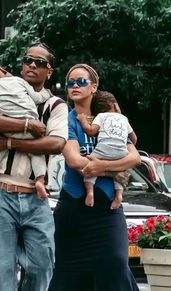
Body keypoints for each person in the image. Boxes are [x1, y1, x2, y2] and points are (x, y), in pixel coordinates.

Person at [0, 43, 68, 291]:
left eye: (40, 63)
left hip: (35, 197)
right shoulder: (4, 89)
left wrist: (9, 141)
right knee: (1, 271)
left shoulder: (55, 105)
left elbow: (56, 143)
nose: (32, 65)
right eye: (28, 60)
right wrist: (28, 125)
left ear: (49, 71)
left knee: (42, 267)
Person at [48, 64, 141, 291]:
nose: (74, 86)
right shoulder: (67, 119)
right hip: (74, 211)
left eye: (81, 81)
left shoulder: (111, 118)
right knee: (69, 277)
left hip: (107, 212)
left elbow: (135, 158)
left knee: (116, 264)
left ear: (94, 86)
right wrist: (115, 170)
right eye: (70, 82)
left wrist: (101, 167)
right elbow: (74, 161)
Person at [0, 58, 52, 200]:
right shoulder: (18, 81)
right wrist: (47, 93)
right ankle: (40, 180)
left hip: (7, 128)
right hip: (29, 128)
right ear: (3, 71)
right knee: (36, 153)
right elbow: (36, 97)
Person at [77, 90, 137, 208]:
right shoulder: (124, 119)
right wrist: (125, 146)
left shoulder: (101, 116)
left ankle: (90, 192)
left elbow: (90, 131)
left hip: (102, 150)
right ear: (115, 105)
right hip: (121, 152)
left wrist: (83, 120)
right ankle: (119, 195)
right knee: (122, 171)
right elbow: (134, 138)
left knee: (90, 166)